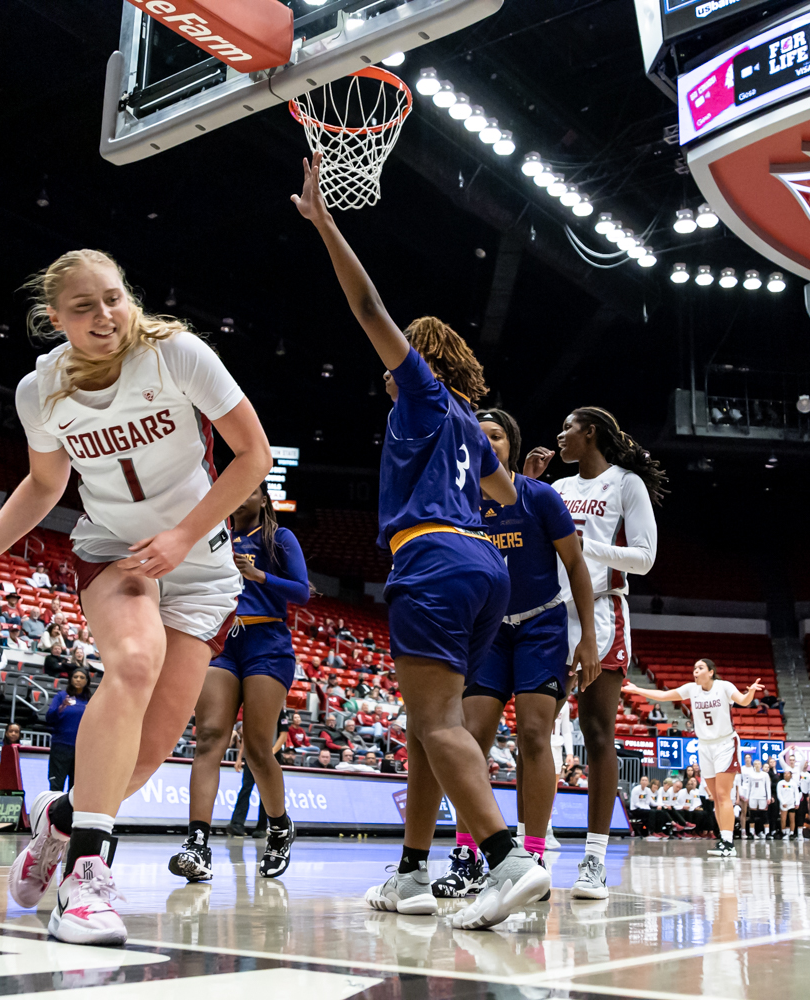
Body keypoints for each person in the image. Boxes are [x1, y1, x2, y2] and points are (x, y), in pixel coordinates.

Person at [0, 248, 271, 947]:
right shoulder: (41, 391)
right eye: (83, 307)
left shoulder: (176, 354)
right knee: (134, 665)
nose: (105, 316)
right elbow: (45, 485)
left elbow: (253, 455)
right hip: (115, 550)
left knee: (144, 758)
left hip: (200, 566)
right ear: (54, 318)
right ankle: (87, 877)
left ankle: (59, 821)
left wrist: (182, 536)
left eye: (113, 298)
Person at [293, 153, 546, 928]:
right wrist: (520, 471)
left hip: (433, 560)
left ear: (424, 361)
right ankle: (410, 870)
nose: (388, 364)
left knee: (436, 723)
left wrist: (325, 223)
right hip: (482, 569)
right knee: (427, 725)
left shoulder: (425, 396)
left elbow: (370, 309)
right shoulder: (471, 423)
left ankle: (507, 861)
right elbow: (504, 492)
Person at [431, 408, 598, 899]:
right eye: (478, 435)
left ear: (512, 446)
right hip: (486, 631)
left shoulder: (540, 496)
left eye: (497, 435)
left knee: (532, 734)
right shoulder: (457, 501)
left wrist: (587, 637)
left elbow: (576, 564)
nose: (487, 441)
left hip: (541, 626)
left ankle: (534, 854)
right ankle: (466, 855)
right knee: (471, 735)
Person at [524, 405, 664, 896]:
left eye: (568, 428)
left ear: (592, 434)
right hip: (549, 615)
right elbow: (523, 539)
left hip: (604, 612)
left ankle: (595, 859)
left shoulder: (627, 484)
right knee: (534, 732)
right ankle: (530, 855)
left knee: (598, 734)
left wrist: (586, 547)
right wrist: (529, 486)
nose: (559, 436)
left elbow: (644, 559)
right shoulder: (557, 490)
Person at [624, 660, 763, 859]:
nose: (695, 672)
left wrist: (750, 692)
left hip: (725, 743)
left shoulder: (724, 686)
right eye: (694, 669)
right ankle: (723, 840)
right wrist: (637, 689)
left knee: (724, 795)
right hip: (704, 745)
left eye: (700, 668)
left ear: (711, 672)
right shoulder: (692, 689)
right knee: (715, 797)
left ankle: (729, 842)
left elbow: (743, 701)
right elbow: (663, 695)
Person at [46, 669, 90, 793]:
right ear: (71, 679)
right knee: (56, 784)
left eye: (82, 677)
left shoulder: (90, 700)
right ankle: (53, 811)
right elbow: (49, 718)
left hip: (82, 749)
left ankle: (71, 812)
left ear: (87, 681)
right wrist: (61, 707)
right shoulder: (61, 696)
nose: (78, 679)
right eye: (75, 676)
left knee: (76, 788)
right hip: (61, 746)